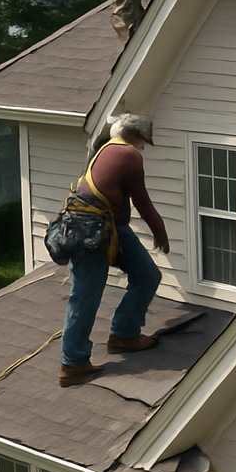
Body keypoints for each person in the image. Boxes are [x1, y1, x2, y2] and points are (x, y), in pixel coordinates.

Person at [59, 114, 169, 387]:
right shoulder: (129, 155)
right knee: (85, 295)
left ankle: (124, 335)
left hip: (110, 225)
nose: (143, 147)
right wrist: (160, 231)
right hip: (90, 230)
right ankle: (72, 364)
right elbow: (142, 201)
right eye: (143, 142)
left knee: (147, 275)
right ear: (137, 138)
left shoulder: (105, 147)